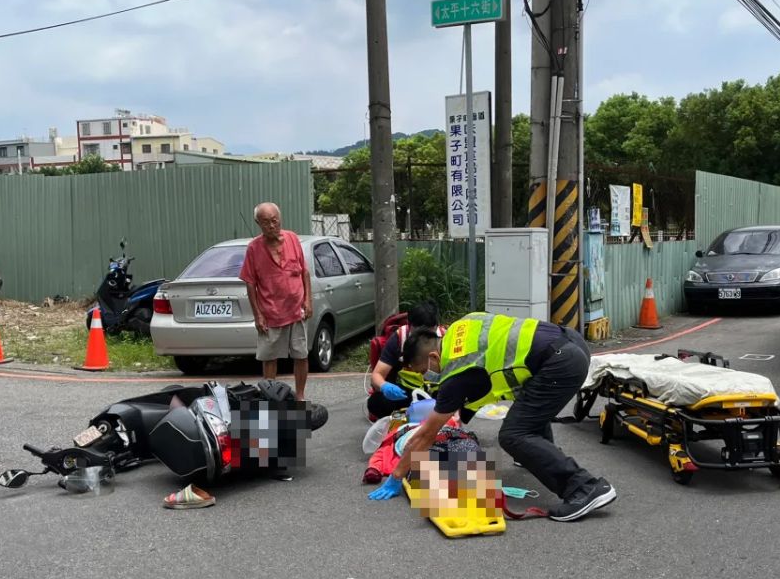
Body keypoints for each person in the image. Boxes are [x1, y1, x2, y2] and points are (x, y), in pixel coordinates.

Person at [368, 312, 617, 522]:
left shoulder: (455, 371)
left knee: (513, 435)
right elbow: (478, 391)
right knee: (526, 418)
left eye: (425, 371)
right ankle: (537, 456)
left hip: (560, 363)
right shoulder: (461, 329)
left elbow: (426, 434)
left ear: (433, 357)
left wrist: (396, 476)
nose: (427, 378)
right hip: (569, 342)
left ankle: (583, 486)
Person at [239, 202, 313, 400]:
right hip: (271, 312)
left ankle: (300, 396)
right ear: (258, 224)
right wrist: (258, 315)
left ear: (280, 219)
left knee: (301, 355)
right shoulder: (254, 248)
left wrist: (308, 300)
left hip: (296, 310)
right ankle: (270, 398)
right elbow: (250, 284)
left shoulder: (293, 238)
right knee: (269, 358)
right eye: (266, 222)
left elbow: (304, 271)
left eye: (274, 221)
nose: (271, 226)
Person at [366, 300, 441, 421]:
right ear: (409, 325)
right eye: (419, 333)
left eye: (428, 334)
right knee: (376, 402)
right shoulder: (399, 338)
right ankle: (403, 419)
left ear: (436, 327)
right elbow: (377, 375)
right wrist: (385, 386)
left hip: (438, 393)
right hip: (408, 393)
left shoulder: (444, 338)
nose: (422, 339)